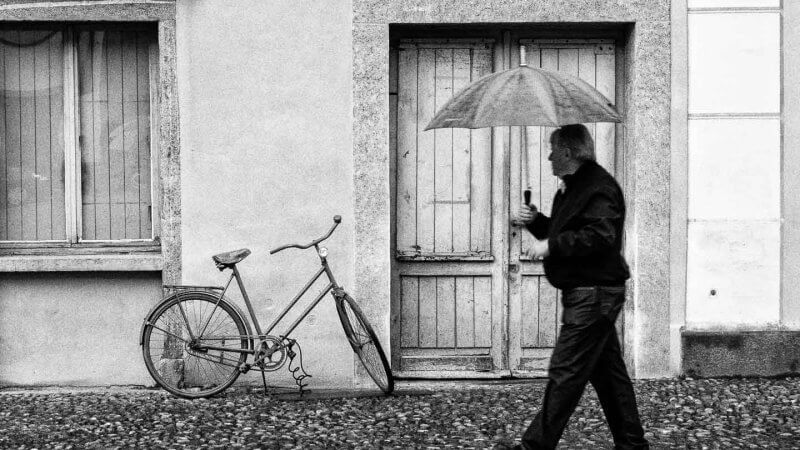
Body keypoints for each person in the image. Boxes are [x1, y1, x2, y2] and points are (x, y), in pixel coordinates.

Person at [505, 124, 649, 450]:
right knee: (609, 377)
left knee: (565, 372)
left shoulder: (599, 187)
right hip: (588, 293)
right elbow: (566, 231)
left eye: (553, 149)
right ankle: (633, 445)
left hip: (594, 294)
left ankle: (533, 447)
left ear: (569, 152)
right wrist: (536, 221)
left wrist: (550, 245)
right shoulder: (570, 188)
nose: (548, 156)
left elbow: (600, 236)